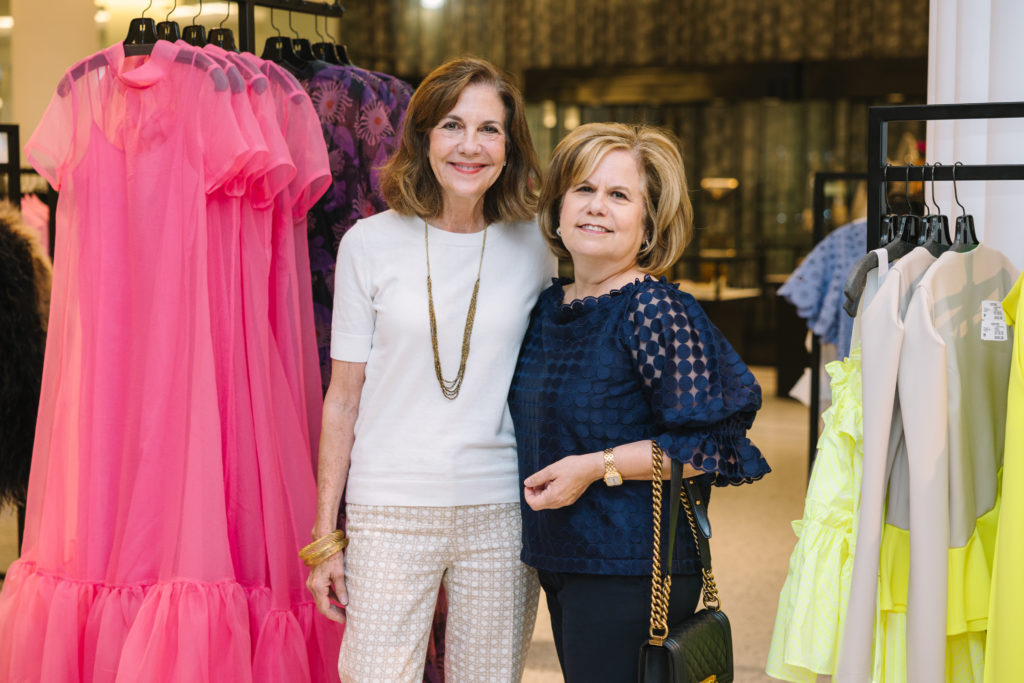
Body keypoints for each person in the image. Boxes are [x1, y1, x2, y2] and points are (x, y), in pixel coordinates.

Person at [304, 56, 555, 682]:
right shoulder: (368, 243)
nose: (471, 145)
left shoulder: (537, 247)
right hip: (388, 507)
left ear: (510, 145)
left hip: (499, 508)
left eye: (490, 129)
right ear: (422, 137)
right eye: (452, 125)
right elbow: (343, 399)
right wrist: (324, 537)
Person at [508, 122, 771, 681]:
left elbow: (706, 447)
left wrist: (593, 468)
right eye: (583, 188)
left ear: (648, 223)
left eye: (619, 195)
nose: (596, 206)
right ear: (557, 206)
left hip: (631, 564)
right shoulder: (549, 307)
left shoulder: (654, 311)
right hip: (562, 556)